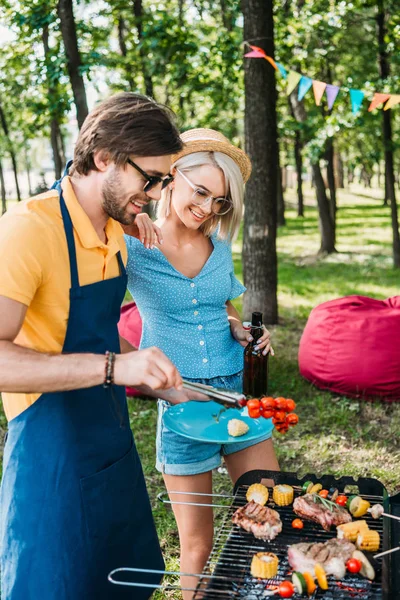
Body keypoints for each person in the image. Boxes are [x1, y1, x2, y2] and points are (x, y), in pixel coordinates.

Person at [0, 92, 205, 600]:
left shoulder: (116, 227)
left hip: (107, 441)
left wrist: (154, 376)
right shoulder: (29, 229)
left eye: (164, 182)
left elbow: (90, 330)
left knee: (118, 584)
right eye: (150, 179)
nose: (157, 196)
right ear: (104, 157)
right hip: (48, 457)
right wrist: (117, 366)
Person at [124, 128, 280, 599]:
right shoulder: (131, 244)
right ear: (172, 176)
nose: (207, 207)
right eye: (201, 191)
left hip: (237, 394)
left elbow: (221, 306)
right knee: (197, 542)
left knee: (268, 511)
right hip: (181, 401)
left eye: (219, 200)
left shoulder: (219, 246)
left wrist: (237, 327)